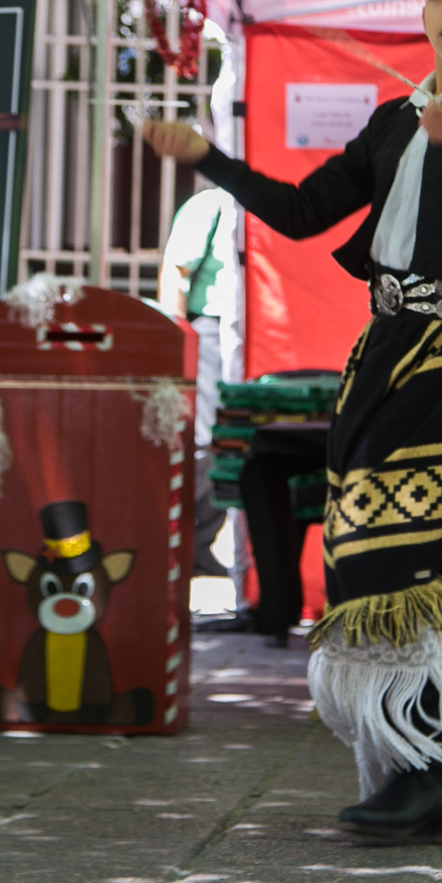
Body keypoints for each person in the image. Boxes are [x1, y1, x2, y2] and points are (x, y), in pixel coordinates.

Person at [143, 0, 442, 839]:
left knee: (397, 557)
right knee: (387, 555)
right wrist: (208, 158)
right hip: (384, 351)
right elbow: (301, 213)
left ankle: (428, 768)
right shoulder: (393, 120)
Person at [158, 184, 242, 584]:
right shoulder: (211, 204)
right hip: (209, 329)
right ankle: (176, 541)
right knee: (205, 440)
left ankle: (200, 544)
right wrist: (177, 341)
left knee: (235, 443)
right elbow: (176, 270)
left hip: (255, 331)